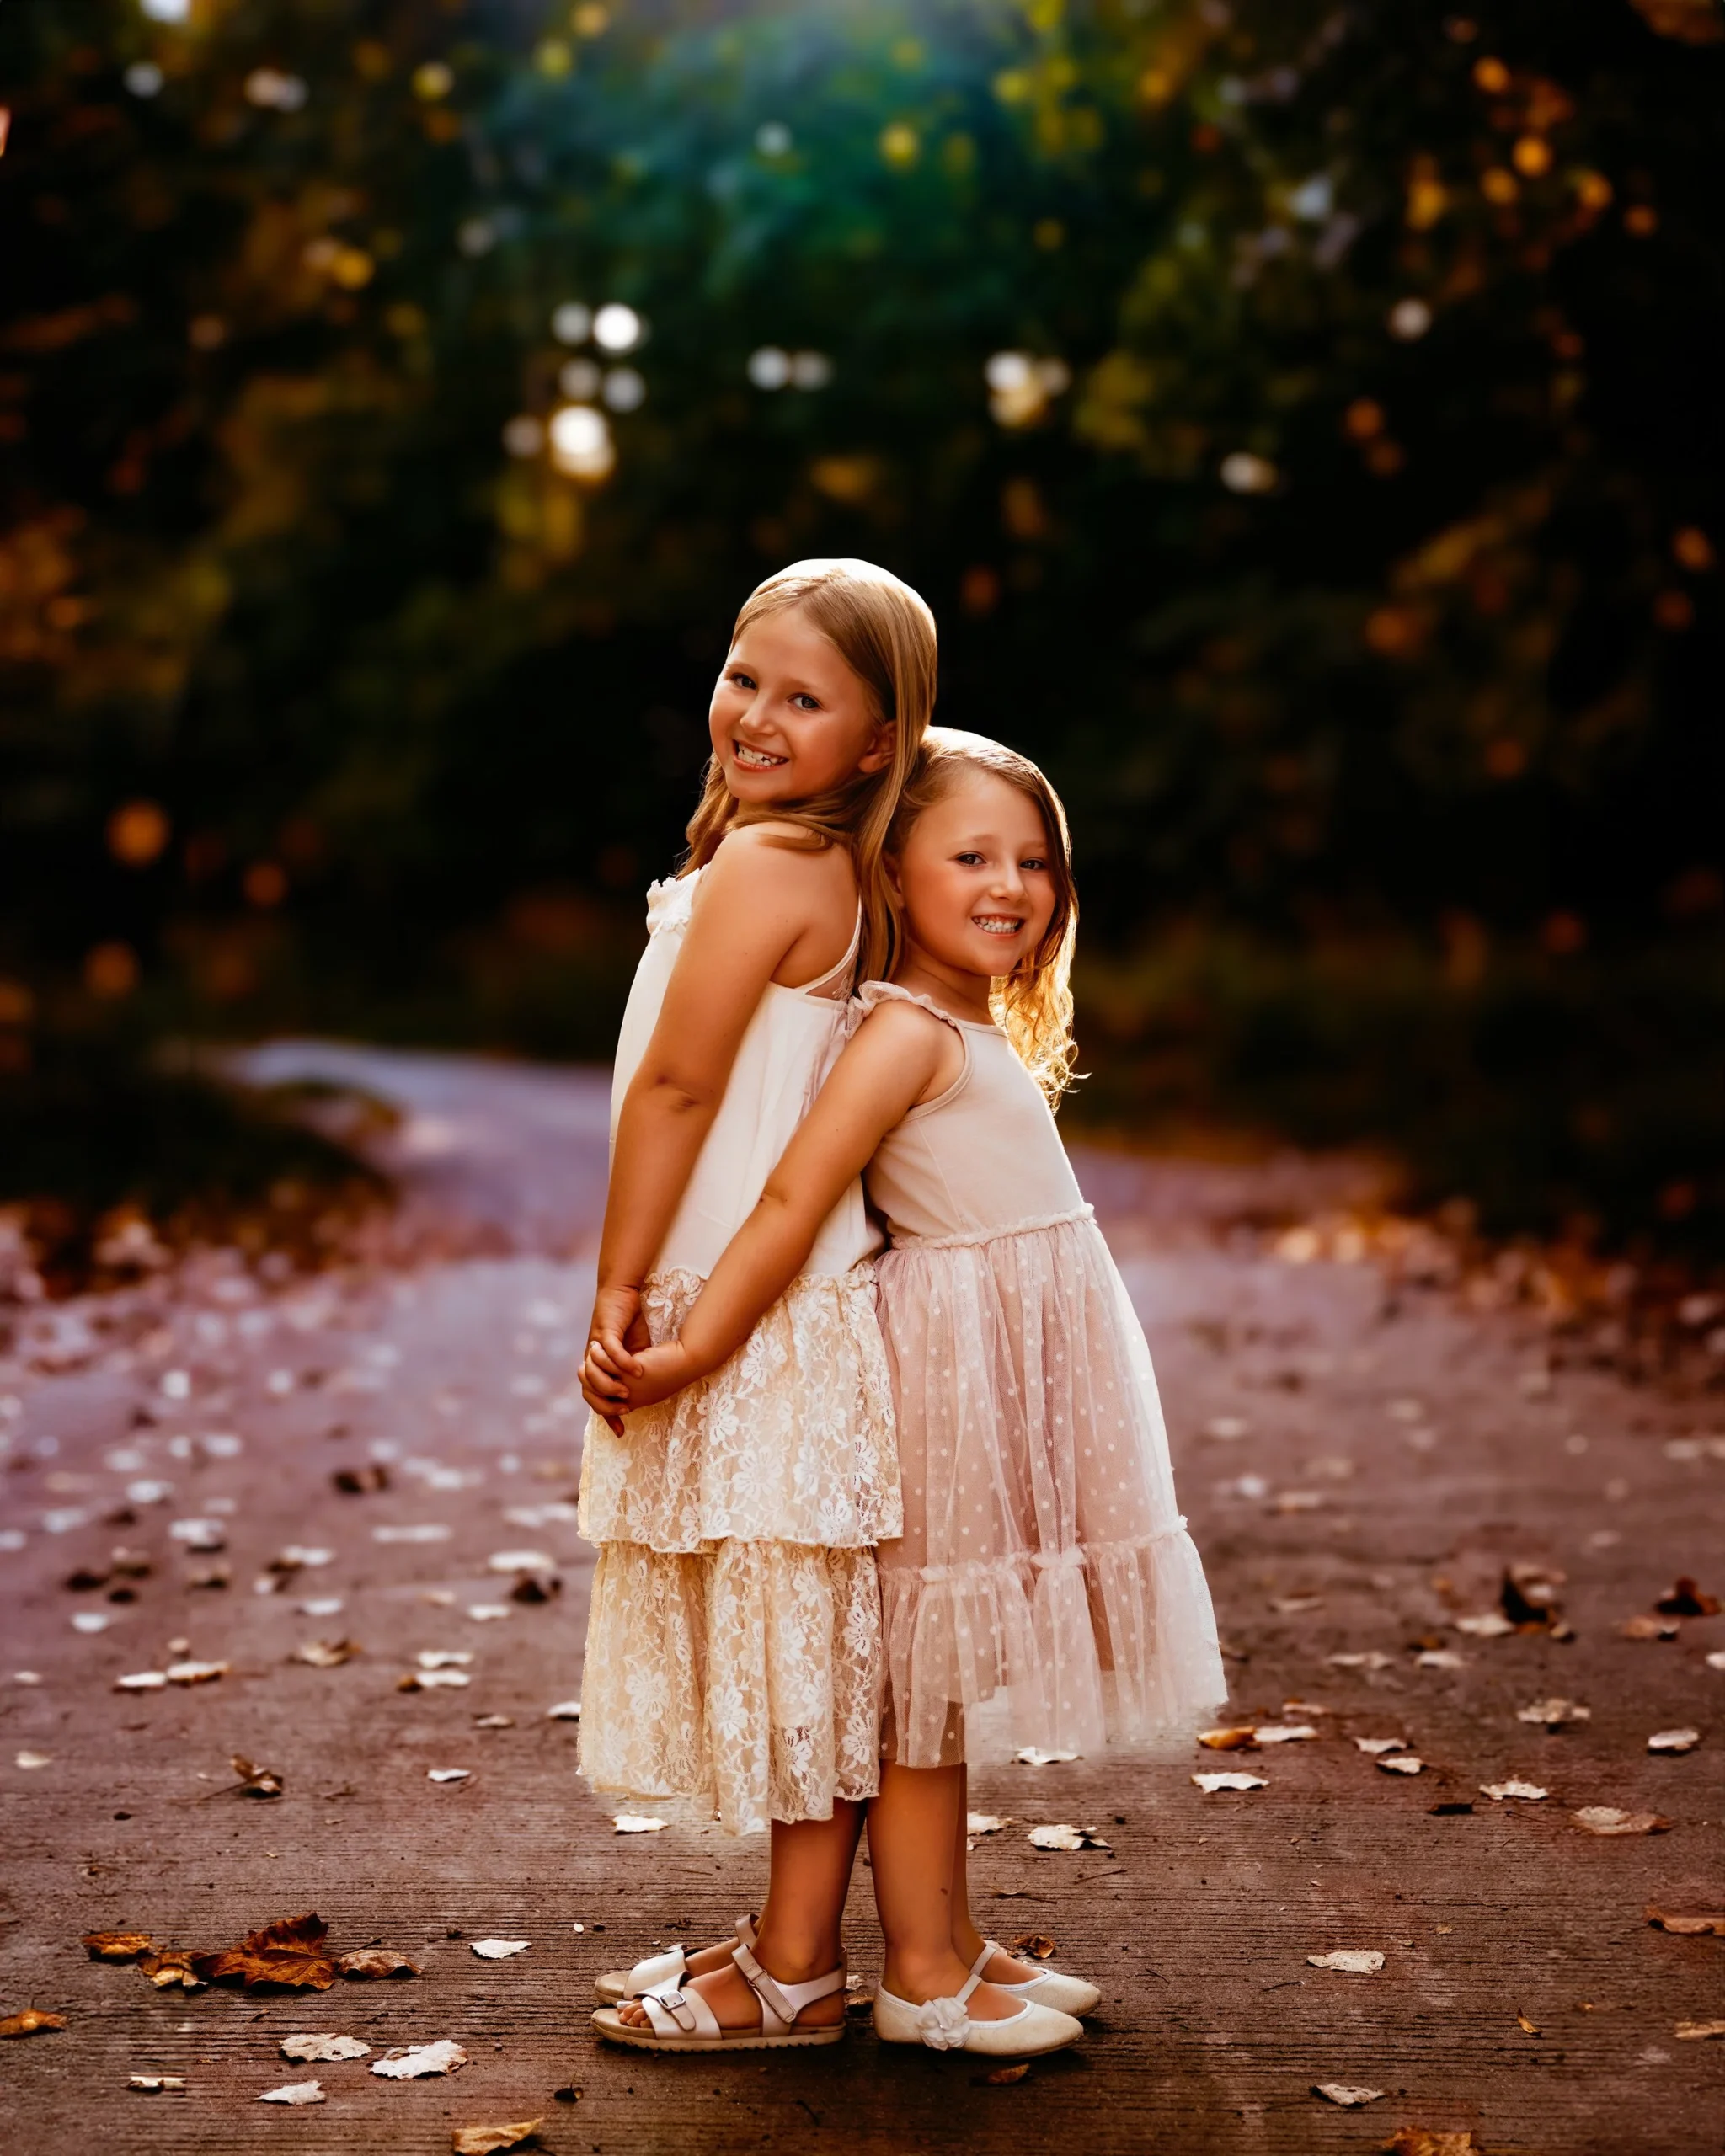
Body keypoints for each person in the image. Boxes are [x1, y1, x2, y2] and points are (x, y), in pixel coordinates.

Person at [597, 728, 1226, 2060]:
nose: (1013, 885)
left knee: (929, 1687)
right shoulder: (901, 1030)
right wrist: (695, 1346)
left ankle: (943, 1935)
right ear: (894, 871)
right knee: (916, 1689)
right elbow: (787, 1198)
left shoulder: (965, 1020)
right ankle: (921, 1973)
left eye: (1036, 861)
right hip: (939, 1379)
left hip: (993, 1372)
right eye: (973, 856)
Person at [574, 558, 937, 2052]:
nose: (758, 714)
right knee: (805, 1644)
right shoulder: (814, 863)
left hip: (743, 1305)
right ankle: (779, 1942)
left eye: (805, 698)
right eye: (744, 678)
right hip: (784, 1300)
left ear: (876, 744)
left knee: (801, 1654)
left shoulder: (776, 870)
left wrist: (615, 1283)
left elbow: (680, 1082)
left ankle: (796, 1967)